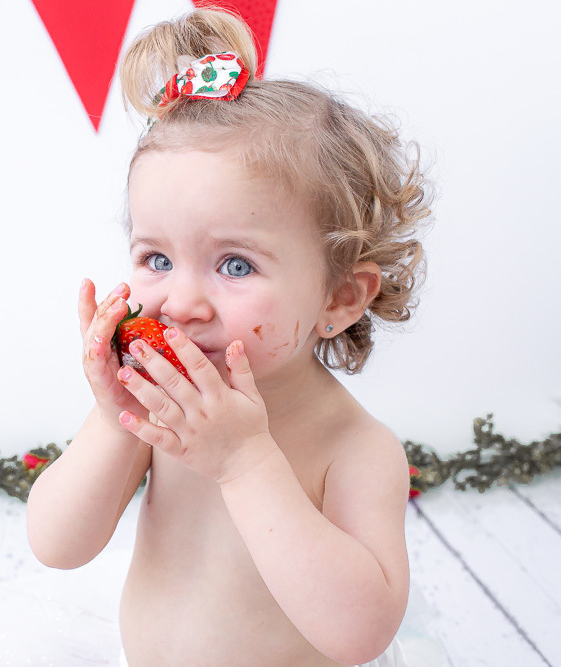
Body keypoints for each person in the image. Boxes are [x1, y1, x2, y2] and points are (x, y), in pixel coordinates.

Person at [26, 8, 431, 667]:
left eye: (235, 265)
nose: (180, 302)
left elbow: (359, 634)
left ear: (340, 296)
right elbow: (56, 543)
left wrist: (247, 462)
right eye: (156, 259)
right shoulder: (158, 409)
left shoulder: (357, 449)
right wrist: (115, 418)